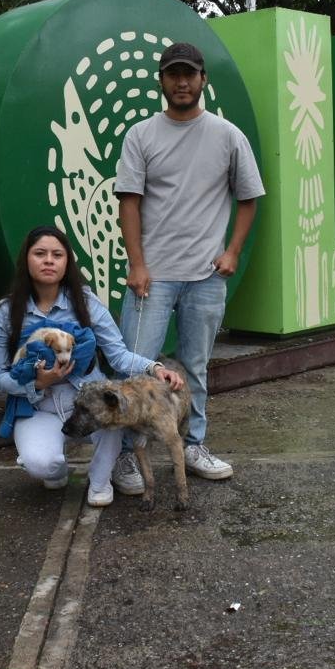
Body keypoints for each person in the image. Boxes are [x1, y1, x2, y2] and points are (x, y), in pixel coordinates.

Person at [111, 41, 265, 493]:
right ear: (160, 80)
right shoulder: (141, 135)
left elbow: (250, 199)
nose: (182, 82)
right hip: (151, 278)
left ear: (203, 81)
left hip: (205, 277)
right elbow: (129, 203)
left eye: (189, 74)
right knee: (137, 370)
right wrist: (137, 265)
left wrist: (232, 251)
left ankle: (195, 445)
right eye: (173, 74)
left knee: (195, 369)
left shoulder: (228, 135)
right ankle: (127, 458)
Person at [0, 225, 184, 508]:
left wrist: (155, 368)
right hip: (36, 405)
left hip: (85, 398)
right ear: (26, 260)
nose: (48, 260)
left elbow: (118, 355)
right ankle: (56, 469)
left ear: (67, 262)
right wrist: (37, 383)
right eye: (40, 253)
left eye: (57, 254)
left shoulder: (86, 302)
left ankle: (101, 480)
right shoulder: (7, 312)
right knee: (42, 465)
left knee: (114, 414)